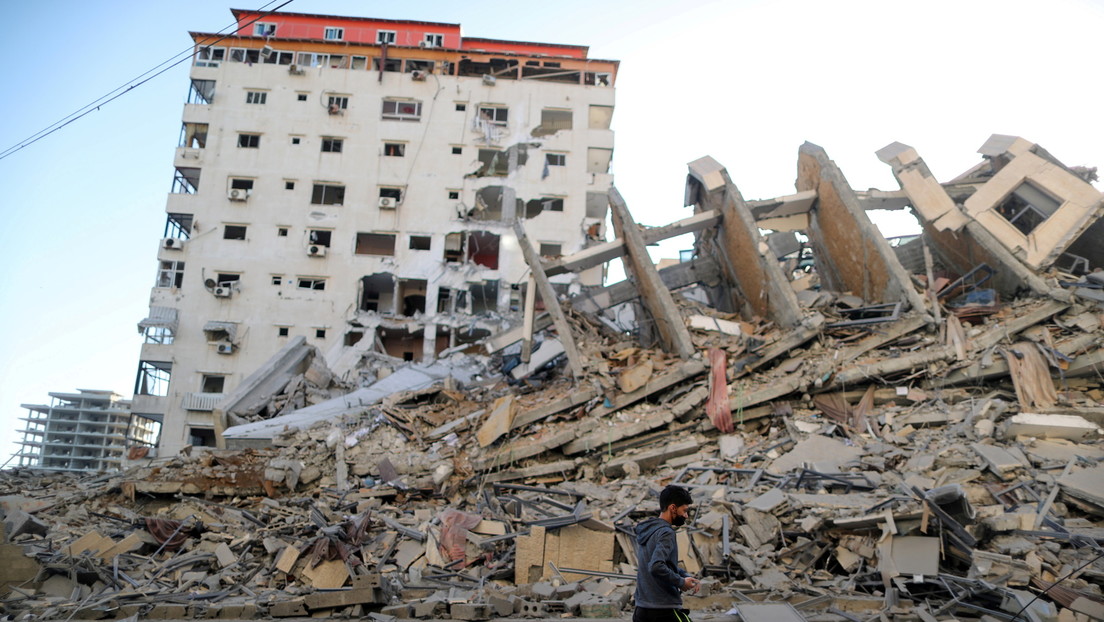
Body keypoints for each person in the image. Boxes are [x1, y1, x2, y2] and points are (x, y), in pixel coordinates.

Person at [633, 484, 700, 622]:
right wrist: (681, 582)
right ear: (673, 508)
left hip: (642, 609)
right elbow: (656, 566)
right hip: (662, 610)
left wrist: (684, 575)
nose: (686, 515)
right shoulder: (666, 533)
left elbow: (659, 563)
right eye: (684, 510)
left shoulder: (648, 530)